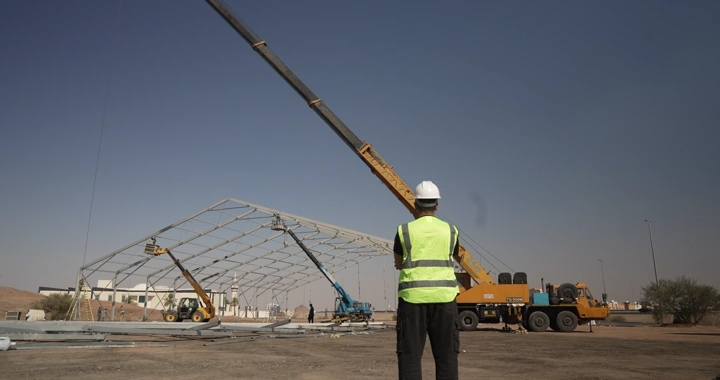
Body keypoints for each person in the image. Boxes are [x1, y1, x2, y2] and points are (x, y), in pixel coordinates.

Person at [394, 180, 460, 380]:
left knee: (410, 357)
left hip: (412, 300)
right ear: (437, 205)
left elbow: (399, 262)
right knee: (447, 357)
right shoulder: (451, 231)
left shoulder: (404, 230)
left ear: (415, 204)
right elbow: (453, 256)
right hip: (445, 300)